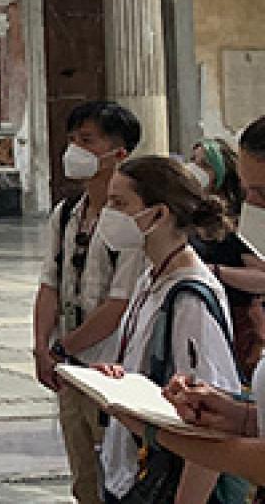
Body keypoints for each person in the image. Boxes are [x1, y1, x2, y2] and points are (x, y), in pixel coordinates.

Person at [107, 116, 265, 487]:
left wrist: (154, 432)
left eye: (263, 193)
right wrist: (240, 417)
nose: (252, 207)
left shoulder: (189, 297)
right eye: (247, 192)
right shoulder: (150, 278)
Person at [89, 155, 241, 504]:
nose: (107, 213)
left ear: (159, 214)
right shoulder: (150, 277)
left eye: (120, 203)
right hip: (130, 473)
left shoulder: (190, 299)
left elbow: (210, 425)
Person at [31, 101, 147, 504]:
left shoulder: (132, 222)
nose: (74, 150)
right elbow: (50, 282)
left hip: (112, 365)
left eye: (86, 141)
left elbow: (119, 304)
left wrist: (65, 347)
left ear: (118, 153)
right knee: (84, 478)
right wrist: (42, 346)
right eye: (72, 140)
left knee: (120, 473)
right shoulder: (66, 214)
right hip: (70, 369)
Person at [187, 137, 265, 374]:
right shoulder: (190, 214)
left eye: (205, 165)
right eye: (193, 161)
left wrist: (215, 271)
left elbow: (261, 274)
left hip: (241, 318)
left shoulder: (243, 219)